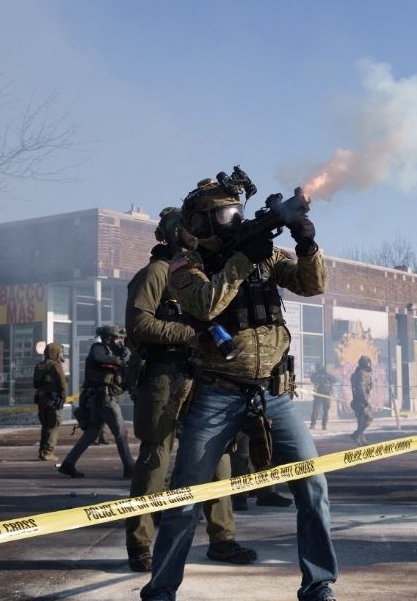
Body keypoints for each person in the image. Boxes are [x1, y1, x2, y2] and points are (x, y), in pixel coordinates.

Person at [141, 172, 337, 601]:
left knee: (312, 485)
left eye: (238, 213)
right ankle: (160, 590)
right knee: (187, 497)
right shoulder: (184, 266)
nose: (234, 220)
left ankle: (319, 582)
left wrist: (306, 244)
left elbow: (312, 284)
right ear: (203, 221)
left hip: (274, 391)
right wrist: (241, 259)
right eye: (225, 214)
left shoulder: (262, 255)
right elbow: (206, 303)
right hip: (216, 392)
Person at [124, 207, 257, 573]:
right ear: (171, 233)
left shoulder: (200, 272)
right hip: (165, 375)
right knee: (155, 460)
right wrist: (191, 335)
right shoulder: (156, 273)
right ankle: (140, 544)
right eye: (184, 227)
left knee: (217, 458)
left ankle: (223, 538)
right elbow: (138, 324)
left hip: (204, 374)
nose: (192, 232)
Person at [59, 324, 135, 479]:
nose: (120, 342)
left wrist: (122, 356)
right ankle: (130, 468)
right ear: (108, 339)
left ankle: (68, 463)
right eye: (117, 338)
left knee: (92, 433)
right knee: (121, 433)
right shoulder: (98, 348)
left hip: (99, 399)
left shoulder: (109, 351)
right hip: (104, 399)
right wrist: (119, 360)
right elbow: (98, 358)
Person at [33, 342, 68, 462]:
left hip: (41, 401)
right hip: (53, 401)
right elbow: (63, 383)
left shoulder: (39, 366)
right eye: (60, 352)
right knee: (53, 426)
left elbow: (35, 384)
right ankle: (48, 452)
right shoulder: (56, 365)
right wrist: (63, 397)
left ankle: (42, 451)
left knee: (45, 426)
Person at [350, 356, 374, 444]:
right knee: (369, 418)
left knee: (361, 421)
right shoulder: (362, 374)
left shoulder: (358, 373)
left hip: (358, 400)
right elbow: (361, 388)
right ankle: (356, 435)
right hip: (361, 401)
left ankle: (361, 440)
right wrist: (365, 400)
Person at [309, 365, 335, 430]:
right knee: (324, 411)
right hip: (325, 395)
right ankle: (323, 425)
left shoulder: (317, 375)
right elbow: (334, 379)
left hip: (320, 395)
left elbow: (312, 379)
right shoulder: (327, 375)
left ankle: (314, 425)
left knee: (316, 410)